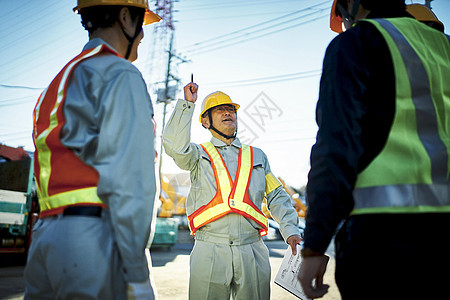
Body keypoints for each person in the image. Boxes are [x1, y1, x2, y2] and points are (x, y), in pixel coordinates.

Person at [298, 0, 450, 299]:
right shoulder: (444, 47)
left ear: (352, 4)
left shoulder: (355, 43)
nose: (344, 25)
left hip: (384, 240)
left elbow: (335, 147)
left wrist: (315, 245)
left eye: (341, 18)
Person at [24, 1, 161, 299]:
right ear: (126, 17)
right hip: (94, 241)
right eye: (141, 26)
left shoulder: (58, 81)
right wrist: (137, 274)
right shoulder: (119, 74)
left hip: (45, 239)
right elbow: (131, 180)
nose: (141, 37)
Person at [163, 83, 302, 300]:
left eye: (231, 110)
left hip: (252, 248)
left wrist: (291, 230)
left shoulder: (258, 156)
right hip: (209, 248)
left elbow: (276, 195)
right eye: (220, 109)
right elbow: (174, 147)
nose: (228, 112)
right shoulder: (197, 154)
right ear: (205, 121)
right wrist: (187, 105)